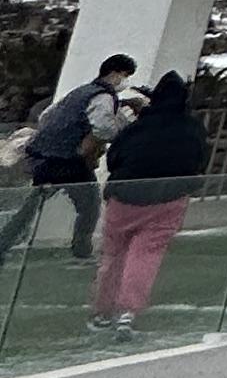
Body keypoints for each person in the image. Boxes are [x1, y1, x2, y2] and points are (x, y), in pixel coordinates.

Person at [90, 67, 208, 342]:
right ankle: (127, 311)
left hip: (125, 197)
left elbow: (114, 158)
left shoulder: (138, 127)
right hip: (168, 200)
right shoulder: (192, 128)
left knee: (113, 254)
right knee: (146, 255)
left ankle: (102, 310)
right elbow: (199, 160)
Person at [1, 53, 136, 261]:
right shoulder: (103, 97)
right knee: (89, 205)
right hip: (71, 160)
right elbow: (104, 128)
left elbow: (47, 116)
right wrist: (124, 122)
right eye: (125, 75)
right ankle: (81, 250)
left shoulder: (80, 92)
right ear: (115, 73)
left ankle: (4, 244)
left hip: (47, 156)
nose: (125, 81)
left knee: (31, 205)